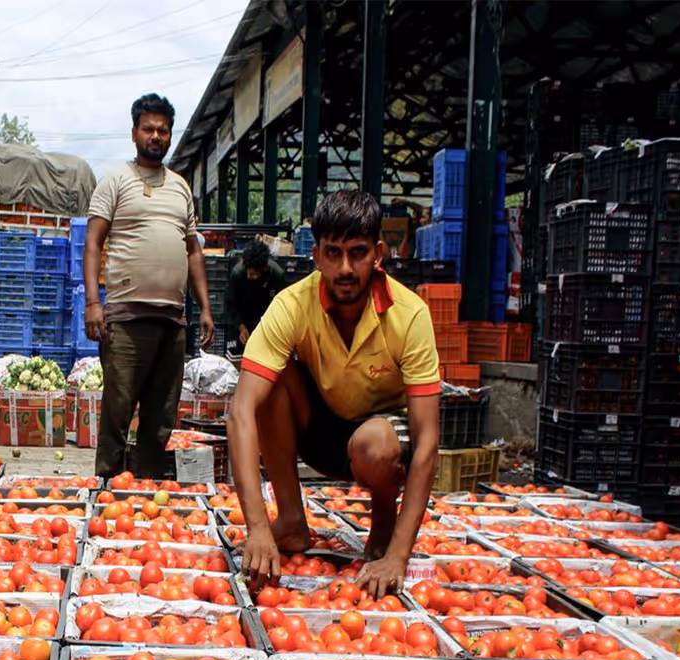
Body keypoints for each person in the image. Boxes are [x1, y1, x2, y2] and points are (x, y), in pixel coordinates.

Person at [227, 190, 441, 600]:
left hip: (380, 442)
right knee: (268, 382)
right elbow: (241, 411)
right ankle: (289, 519)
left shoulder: (410, 315)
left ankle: (382, 525)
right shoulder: (291, 304)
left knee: (375, 444)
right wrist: (257, 527)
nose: (345, 268)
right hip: (319, 430)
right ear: (317, 256)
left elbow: (428, 440)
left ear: (378, 252)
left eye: (358, 252)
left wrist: (398, 556)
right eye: (333, 253)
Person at [82, 93, 213, 478]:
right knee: (118, 411)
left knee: (161, 418)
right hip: (126, 318)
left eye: (163, 130)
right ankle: (107, 487)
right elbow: (93, 243)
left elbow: (193, 252)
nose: (155, 136)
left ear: (170, 136)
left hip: (172, 320)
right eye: (148, 129)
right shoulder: (115, 182)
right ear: (135, 133)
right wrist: (94, 303)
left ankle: (147, 491)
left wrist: (205, 308)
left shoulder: (181, 187)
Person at [226, 241, 287, 348]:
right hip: (241, 317)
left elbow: (281, 305)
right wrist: (241, 326)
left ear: (263, 269)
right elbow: (229, 304)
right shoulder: (238, 273)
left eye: (253, 274)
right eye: (248, 273)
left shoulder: (276, 274)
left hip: (265, 320)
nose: (249, 277)